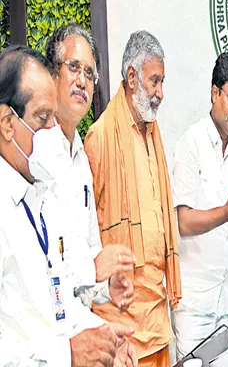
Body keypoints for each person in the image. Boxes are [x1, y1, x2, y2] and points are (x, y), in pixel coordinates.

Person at [0, 44, 136, 366]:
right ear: (7, 123)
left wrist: (103, 335)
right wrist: (67, 354)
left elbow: (58, 304)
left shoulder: (39, 197)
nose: (51, 132)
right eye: (43, 118)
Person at [85, 30, 182, 366]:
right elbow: (87, 231)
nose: (160, 93)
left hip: (157, 316)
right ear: (131, 76)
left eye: (161, 82)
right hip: (122, 322)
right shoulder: (99, 138)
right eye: (154, 81)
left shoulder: (153, 133)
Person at [171, 52, 228, 359]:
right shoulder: (191, 144)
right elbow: (182, 223)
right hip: (195, 306)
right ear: (214, 93)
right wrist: (227, 213)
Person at [44, 24, 136, 310]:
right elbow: (42, 259)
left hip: (79, 321)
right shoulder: (36, 152)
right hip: (49, 329)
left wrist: (107, 285)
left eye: (89, 73)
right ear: (51, 74)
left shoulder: (81, 157)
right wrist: (94, 270)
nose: (82, 81)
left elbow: (88, 245)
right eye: (73, 67)